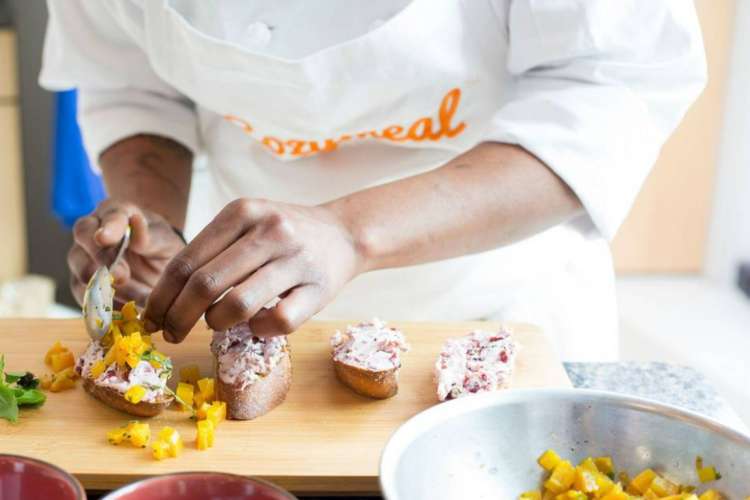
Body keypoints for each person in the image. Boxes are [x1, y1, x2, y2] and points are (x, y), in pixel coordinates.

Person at [40, 1, 706, 361]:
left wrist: (346, 230)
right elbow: (131, 79)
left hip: (496, 298)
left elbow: (609, 94)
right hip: (243, 303)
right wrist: (154, 221)